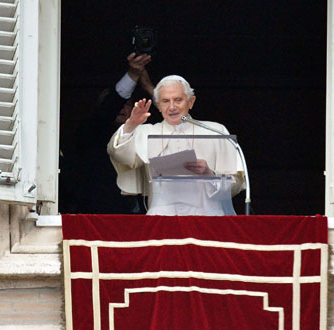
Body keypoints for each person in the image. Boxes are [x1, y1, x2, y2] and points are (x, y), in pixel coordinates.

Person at [107, 75, 244, 215]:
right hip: (161, 217)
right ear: (159, 105)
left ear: (191, 102)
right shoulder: (146, 132)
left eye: (178, 100)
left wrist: (209, 174)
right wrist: (131, 124)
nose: (172, 107)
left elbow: (236, 185)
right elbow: (119, 155)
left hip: (207, 216)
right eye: (165, 101)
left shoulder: (215, 131)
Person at [60, 53, 154, 214]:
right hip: (100, 213)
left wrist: (150, 89)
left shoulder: (144, 133)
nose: (121, 108)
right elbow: (108, 108)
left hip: (138, 215)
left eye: (127, 104)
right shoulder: (91, 132)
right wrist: (133, 75)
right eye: (118, 104)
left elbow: (178, 127)